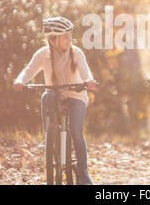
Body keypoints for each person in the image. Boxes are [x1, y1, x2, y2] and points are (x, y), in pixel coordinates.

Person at [12, 16, 96, 185]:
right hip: (55, 94)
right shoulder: (43, 54)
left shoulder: (76, 52)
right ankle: (48, 136)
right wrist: (20, 81)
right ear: (53, 39)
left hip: (76, 95)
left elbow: (86, 72)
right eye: (65, 36)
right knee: (46, 96)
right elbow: (29, 70)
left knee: (76, 131)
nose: (69, 39)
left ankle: (83, 172)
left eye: (70, 35)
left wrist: (89, 80)